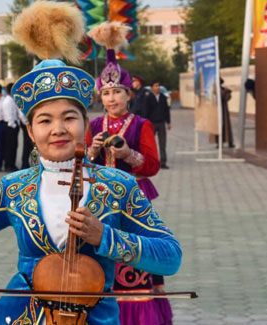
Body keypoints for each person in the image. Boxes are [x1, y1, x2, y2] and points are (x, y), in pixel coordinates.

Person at [0, 2, 182, 324]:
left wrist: (105, 236)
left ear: (84, 122)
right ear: (31, 132)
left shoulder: (119, 185)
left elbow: (170, 256)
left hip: (94, 315)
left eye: (69, 117)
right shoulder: (15, 187)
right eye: (45, 121)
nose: (58, 129)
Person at [85, 21, 171, 325]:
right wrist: (92, 152)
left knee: (132, 258)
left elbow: (152, 165)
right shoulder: (94, 126)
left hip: (134, 199)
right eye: (106, 93)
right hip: (100, 199)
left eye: (117, 92)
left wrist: (128, 155)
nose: (111, 99)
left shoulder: (140, 124)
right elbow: (81, 164)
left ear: (129, 94)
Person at [148, 81, 171, 169]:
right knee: (150, 144)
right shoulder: (148, 98)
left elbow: (166, 111)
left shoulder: (163, 98)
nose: (157, 87)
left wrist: (168, 122)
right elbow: (146, 111)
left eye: (158, 86)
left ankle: (163, 162)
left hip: (161, 123)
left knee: (162, 143)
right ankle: (151, 162)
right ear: (152, 87)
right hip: (152, 123)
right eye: (155, 86)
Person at [1, 83, 20, 172]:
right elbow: (9, 116)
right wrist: (14, 126)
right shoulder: (8, 101)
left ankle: (12, 163)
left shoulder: (11, 100)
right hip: (10, 126)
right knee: (10, 146)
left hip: (12, 125)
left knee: (13, 146)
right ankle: (9, 165)